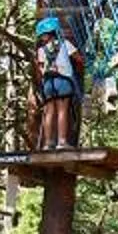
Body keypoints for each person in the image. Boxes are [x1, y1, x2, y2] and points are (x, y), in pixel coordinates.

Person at [31, 13, 83, 150]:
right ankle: (62, 142)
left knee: (49, 112)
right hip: (63, 80)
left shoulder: (41, 50)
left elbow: (40, 69)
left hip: (48, 83)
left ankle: (48, 143)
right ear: (55, 31)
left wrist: (41, 85)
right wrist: (76, 69)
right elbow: (79, 59)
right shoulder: (65, 44)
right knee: (62, 111)